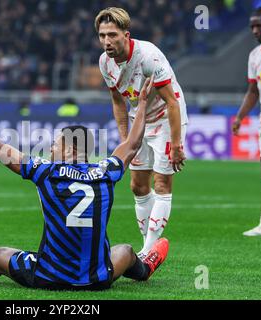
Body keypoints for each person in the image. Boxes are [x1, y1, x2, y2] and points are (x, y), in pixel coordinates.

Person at [0, 78, 169, 291]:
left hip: (49, 276)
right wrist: (143, 104)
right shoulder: (106, 171)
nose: (51, 147)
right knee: (125, 251)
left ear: (72, 149)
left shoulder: (46, 172)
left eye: (57, 143)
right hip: (98, 279)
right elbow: (133, 144)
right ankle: (145, 267)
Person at [95, 7, 188, 258]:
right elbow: (117, 102)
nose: (107, 41)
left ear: (126, 34)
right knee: (137, 186)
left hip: (166, 120)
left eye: (112, 35)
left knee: (162, 183)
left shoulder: (149, 57)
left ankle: (148, 250)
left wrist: (177, 145)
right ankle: (146, 244)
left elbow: (172, 102)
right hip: (139, 120)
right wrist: (127, 139)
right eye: (102, 35)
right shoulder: (105, 63)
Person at [232, 7, 261, 237]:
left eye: (259, 25)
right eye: (252, 26)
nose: (255, 30)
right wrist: (240, 116)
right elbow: (252, 91)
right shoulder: (255, 56)